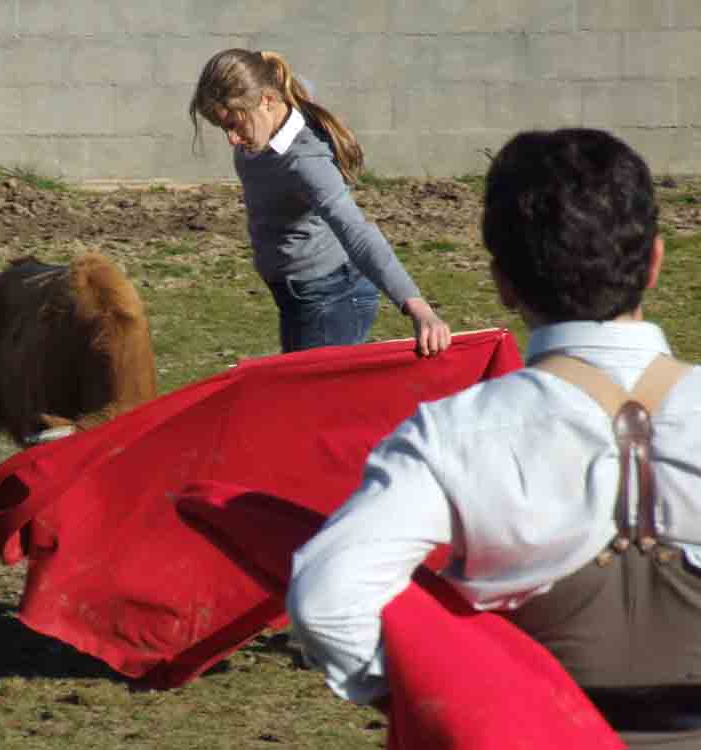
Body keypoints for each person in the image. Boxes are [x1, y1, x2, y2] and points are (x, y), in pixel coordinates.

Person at [286, 128, 701, 749]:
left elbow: (327, 600)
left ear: (503, 282)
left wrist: (453, 698)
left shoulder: (452, 433)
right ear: (656, 261)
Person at [189, 48, 450, 355]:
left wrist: (418, 308)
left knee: (307, 402)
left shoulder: (305, 163)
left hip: (330, 300)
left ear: (268, 101)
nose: (231, 139)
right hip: (298, 298)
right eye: (223, 128)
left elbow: (356, 231)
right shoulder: (275, 98)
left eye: (234, 124)